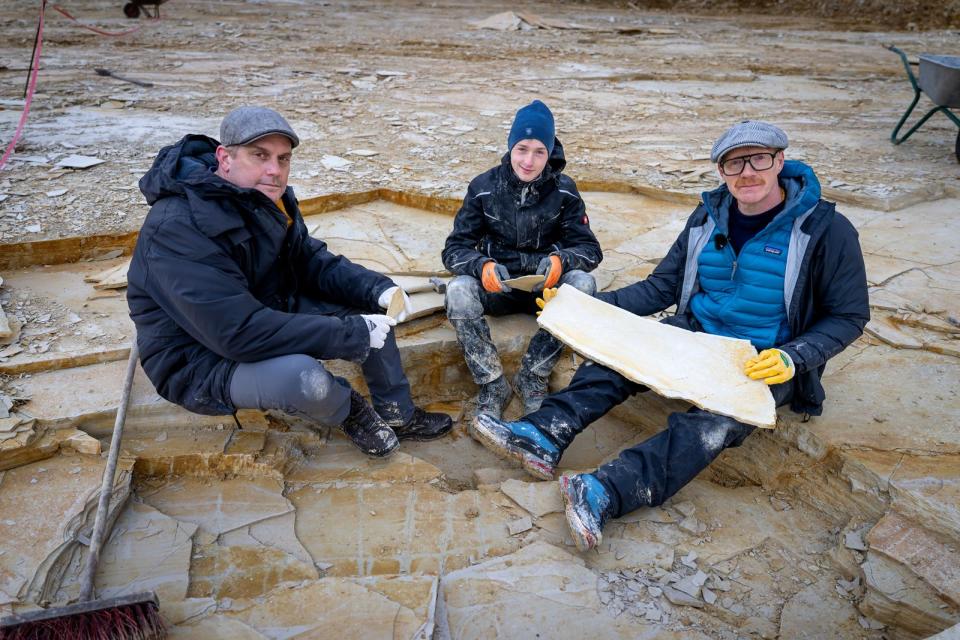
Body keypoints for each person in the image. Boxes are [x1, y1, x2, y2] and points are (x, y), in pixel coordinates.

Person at [470, 120, 870, 550]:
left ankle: (607, 490)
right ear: (721, 171)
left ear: (779, 162)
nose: (748, 172)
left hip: (762, 354)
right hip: (695, 333)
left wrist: (794, 357)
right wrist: (586, 309)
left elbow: (848, 315)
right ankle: (543, 434)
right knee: (617, 354)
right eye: (734, 163)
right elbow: (662, 286)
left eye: (759, 159)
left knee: (711, 426)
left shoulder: (825, 229)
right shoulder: (707, 218)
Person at [127, 106, 452, 459]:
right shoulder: (177, 228)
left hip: (263, 305)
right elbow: (238, 333)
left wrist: (377, 288)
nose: (274, 171)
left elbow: (307, 259)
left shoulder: (262, 200)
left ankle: (398, 416)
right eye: (260, 156)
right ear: (225, 157)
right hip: (198, 356)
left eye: (283, 159)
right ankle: (350, 411)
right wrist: (352, 333)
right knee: (302, 378)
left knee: (375, 318)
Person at [442, 100, 602, 419]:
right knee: (458, 290)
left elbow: (589, 249)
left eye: (539, 151)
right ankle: (492, 384)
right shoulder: (483, 188)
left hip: (545, 294)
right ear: (511, 146)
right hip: (496, 290)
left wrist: (562, 261)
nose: (528, 161)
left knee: (584, 283)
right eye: (522, 149)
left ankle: (533, 376)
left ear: (550, 151)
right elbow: (454, 248)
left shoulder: (565, 192)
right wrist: (481, 266)